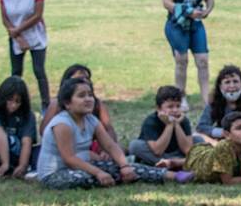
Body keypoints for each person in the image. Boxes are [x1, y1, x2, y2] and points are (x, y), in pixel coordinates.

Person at [37, 78, 191, 189]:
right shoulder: (62, 124)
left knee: (124, 166)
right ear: (67, 103)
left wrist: (124, 166)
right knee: (87, 177)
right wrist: (99, 173)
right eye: (81, 95)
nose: (88, 99)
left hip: (84, 166)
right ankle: (110, 177)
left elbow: (110, 146)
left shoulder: (91, 120)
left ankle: (174, 176)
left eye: (90, 95)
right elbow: (69, 159)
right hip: (56, 174)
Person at [162, 0, 214, 108]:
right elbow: (167, 2)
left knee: (203, 61)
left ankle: (206, 99)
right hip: (178, 25)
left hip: (196, 25)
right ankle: (181, 96)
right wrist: (188, 11)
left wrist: (207, 11)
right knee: (181, 61)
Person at [0, 0, 49, 111]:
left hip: (35, 34)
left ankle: (45, 103)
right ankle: (15, 102)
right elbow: (4, 18)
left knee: (39, 70)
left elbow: (37, 15)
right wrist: (16, 36)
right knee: (16, 72)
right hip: (15, 36)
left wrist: (19, 29)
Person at [39, 64, 117, 153]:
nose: (84, 81)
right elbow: (44, 131)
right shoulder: (57, 105)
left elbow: (108, 129)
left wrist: (107, 150)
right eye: (78, 78)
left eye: (87, 78)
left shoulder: (96, 104)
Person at [0, 76, 39, 179]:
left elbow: (27, 141)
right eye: (10, 100)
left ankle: (20, 168)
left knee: (40, 150)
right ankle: (7, 167)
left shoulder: (28, 115)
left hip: (18, 155)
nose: (13, 105)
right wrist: (5, 163)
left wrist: (22, 165)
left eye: (17, 102)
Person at [184, 112, 241, 185]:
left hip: (212, 154)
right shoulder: (224, 147)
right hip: (198, 157)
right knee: (184, 163)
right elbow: (227, 181)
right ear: (227, 135)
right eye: (239, 128)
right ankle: (175, 163)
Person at [129, 85, 199, 168]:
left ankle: (173, 163)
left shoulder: (183, 120)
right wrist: (169, 125)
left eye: (178, 106)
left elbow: (187, 150)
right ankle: (178, 163)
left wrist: (176, 124)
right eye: (170, 107)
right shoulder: (151, 121)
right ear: (158, 108)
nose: (175, 110)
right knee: (135, 145)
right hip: (158, 155)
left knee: (199, 140)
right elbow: (158, 151)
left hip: (178, 153)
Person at [195, 65, 241, 145]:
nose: (232, 86)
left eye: (235, 81)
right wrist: (221, 132)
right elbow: (201, 127)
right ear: (220, 86)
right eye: (227, 82)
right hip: (222, 142)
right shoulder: (214, 104)